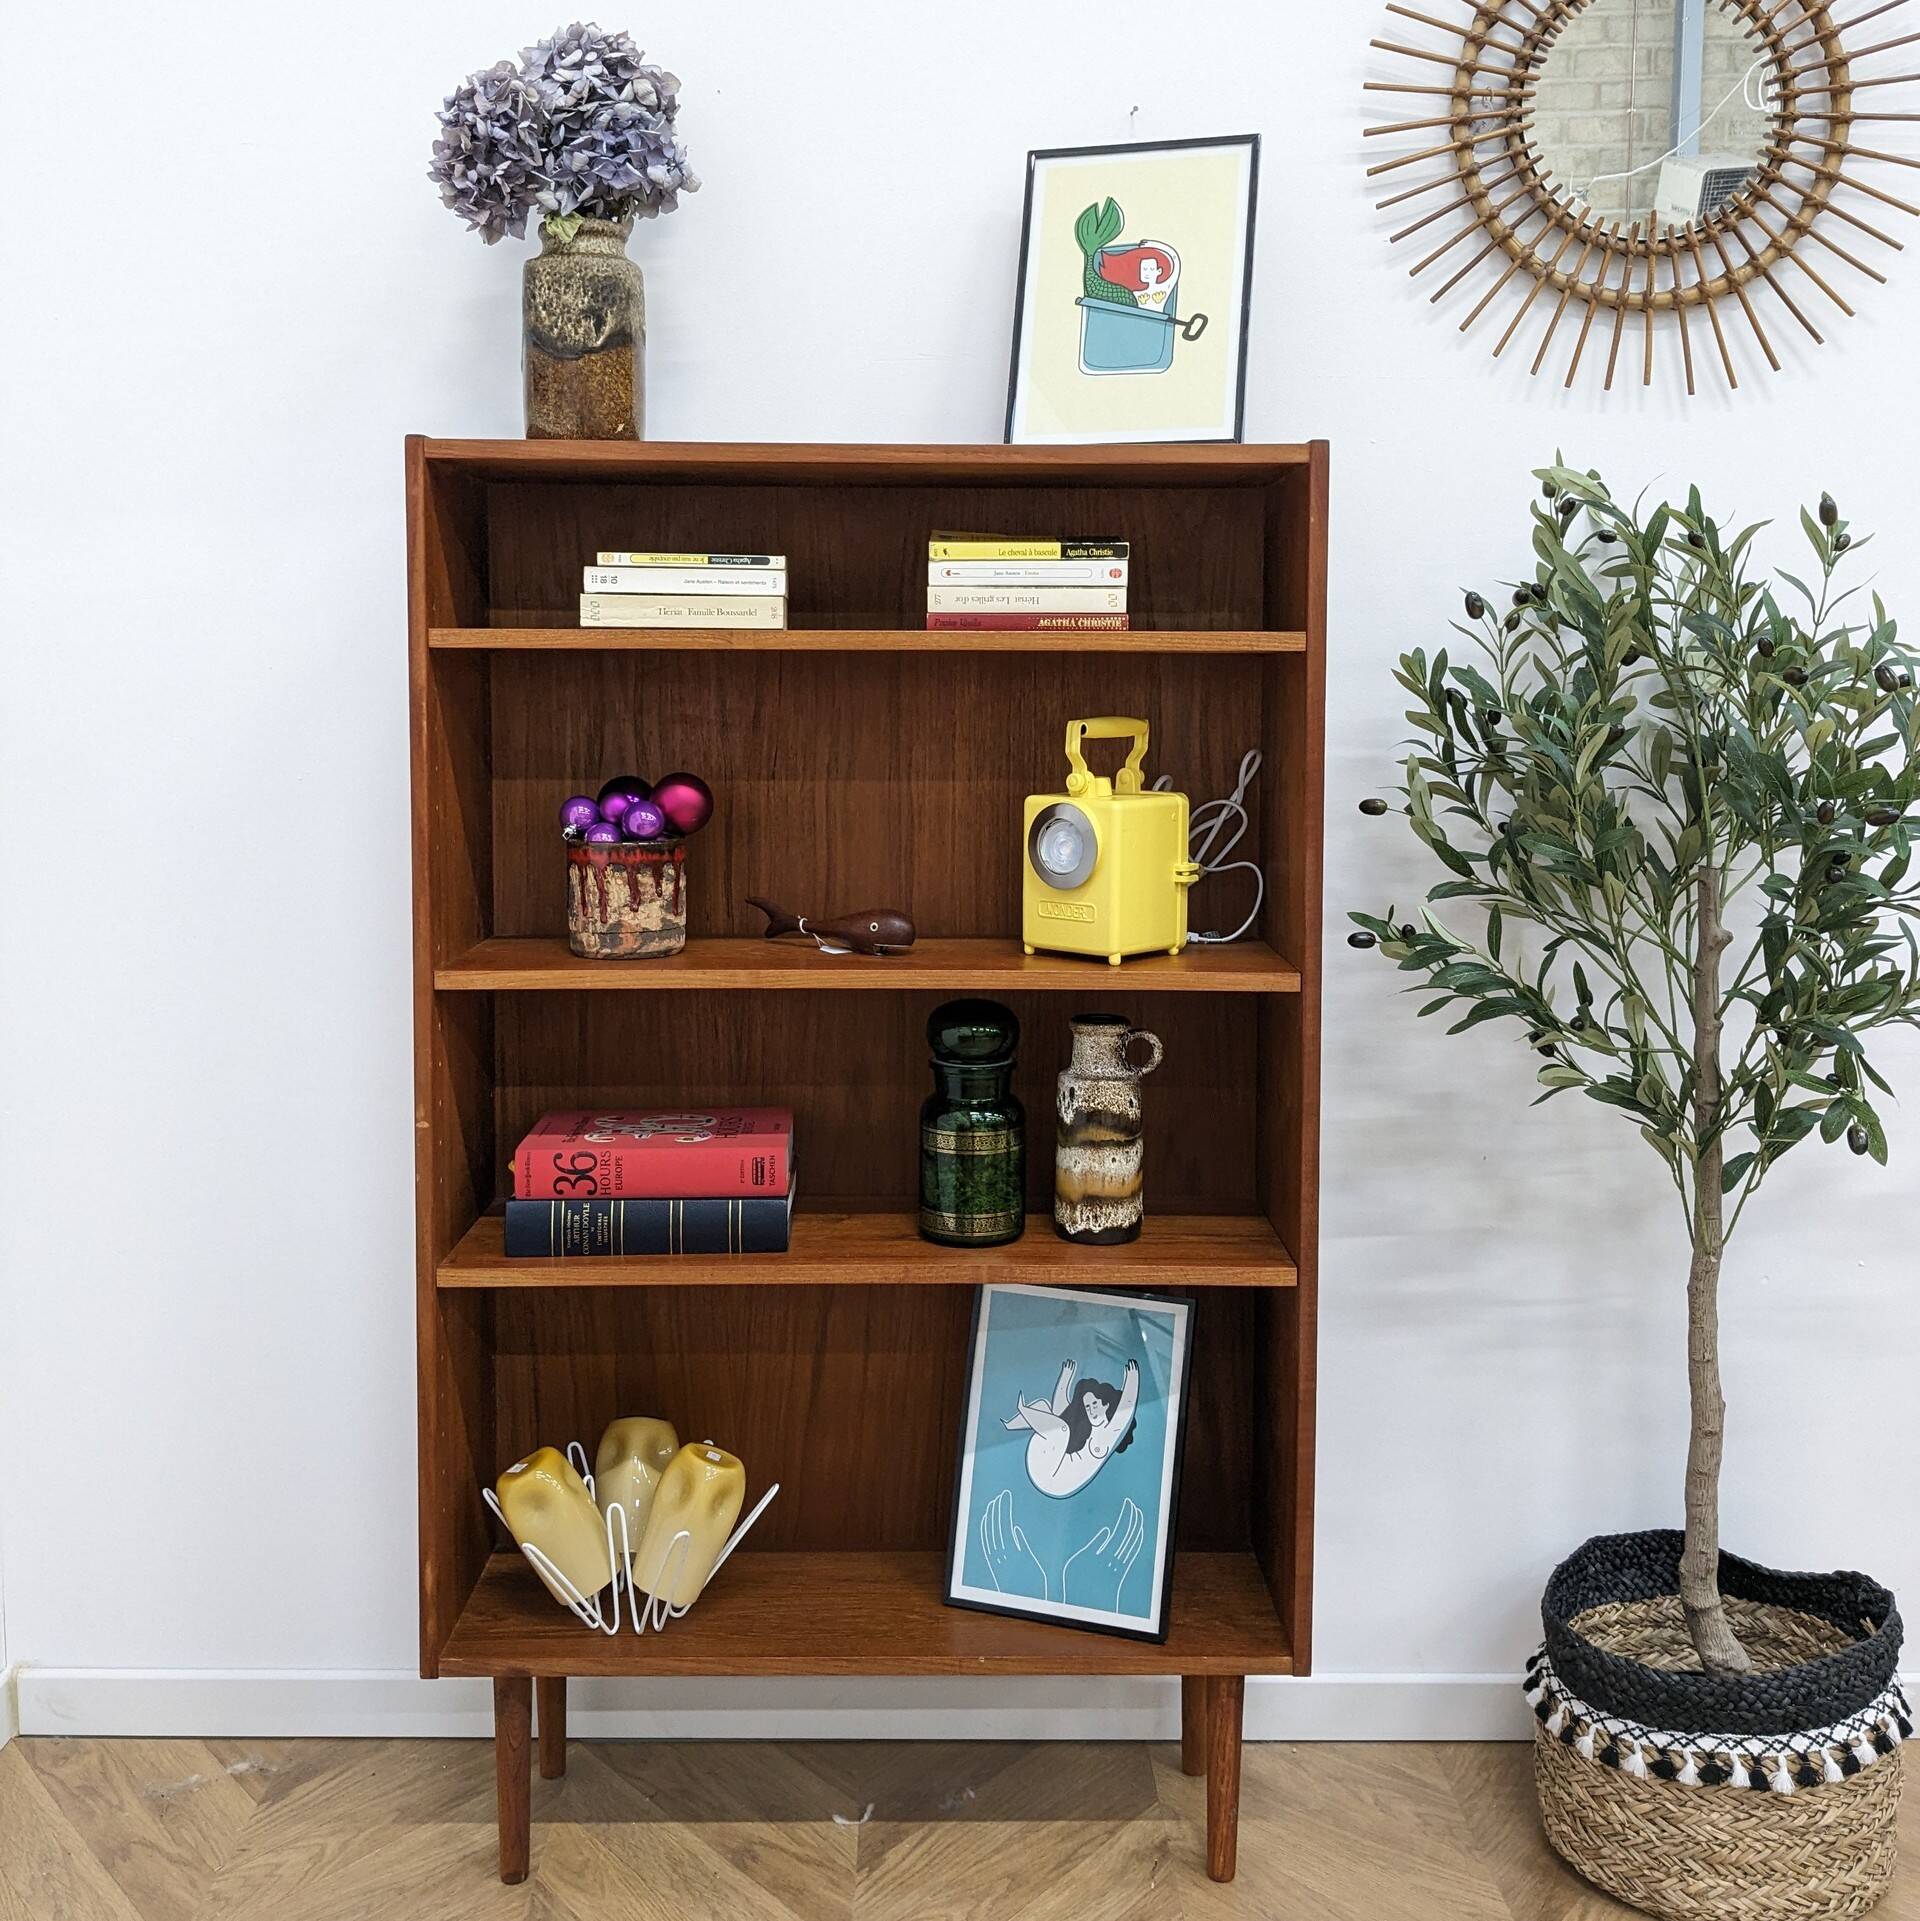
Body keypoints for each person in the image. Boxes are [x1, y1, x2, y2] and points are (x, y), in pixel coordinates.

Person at [1004, 1356, 1138, 1499]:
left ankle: (1023, 1411)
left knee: (1061, 1429)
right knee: (1047, 1409)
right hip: (1048, 1467)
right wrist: (1065, 1378)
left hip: (1052, 1478)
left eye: (1095, 1405)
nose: (1091, 1411)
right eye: (1087, 1407)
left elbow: (1125, 1410)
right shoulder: (1087, 1429)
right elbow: (1060, 1413)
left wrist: (1132, 1380)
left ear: (1106, 1405)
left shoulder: (1107, 1436)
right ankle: (1011, 1424)